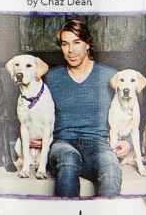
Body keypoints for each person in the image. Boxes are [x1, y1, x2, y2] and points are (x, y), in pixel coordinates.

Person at [41, 19, 128, 197]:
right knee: (69, 159)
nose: (70, 50)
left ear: (88, 44)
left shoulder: (110, 77)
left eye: (77, 42)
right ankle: (66, 214)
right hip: (63, 144)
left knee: (111, 166)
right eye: (65, 44)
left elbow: (130, 113)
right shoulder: (50, 78)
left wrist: (128, 142)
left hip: (98, 145)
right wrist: (34, 135)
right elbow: (34, 111)